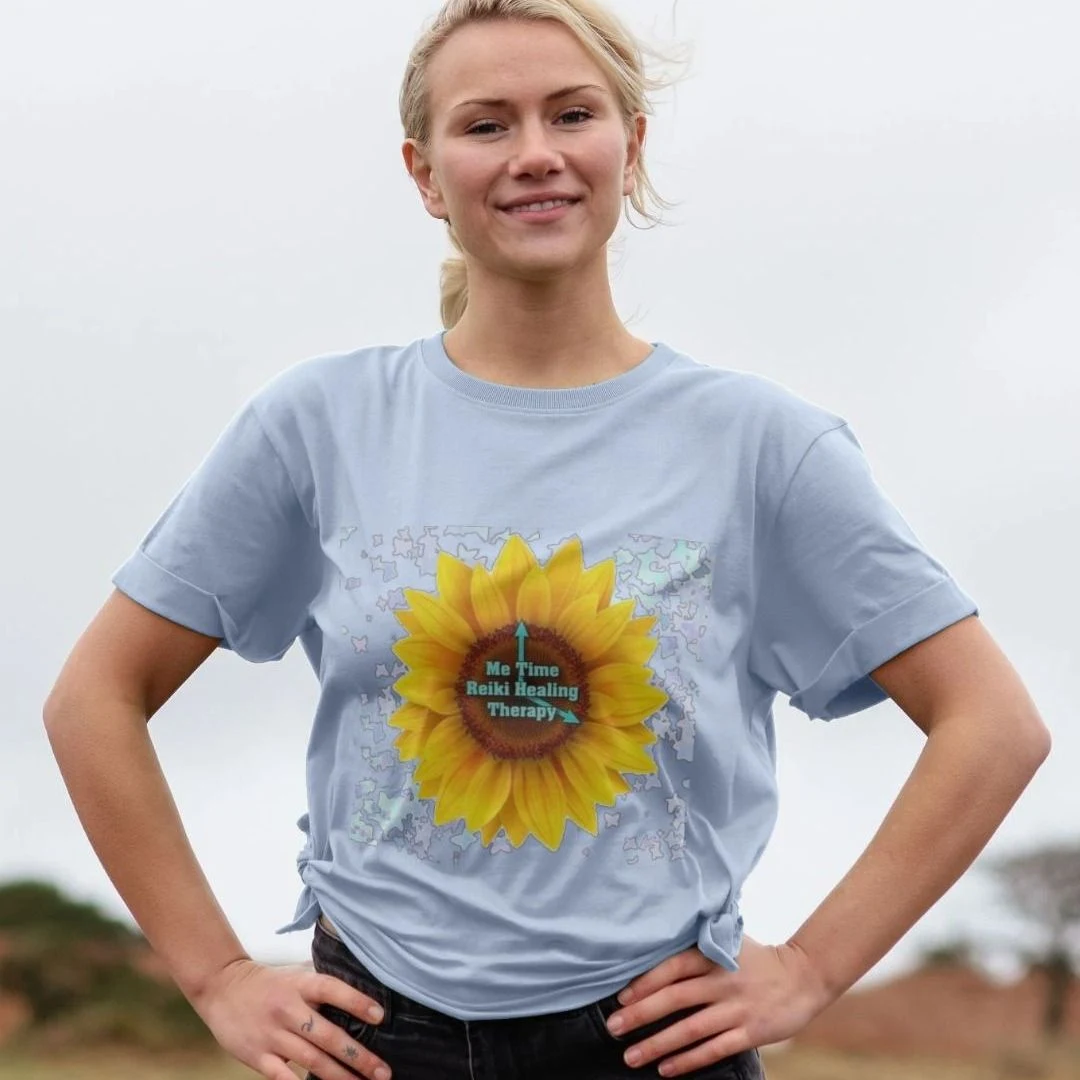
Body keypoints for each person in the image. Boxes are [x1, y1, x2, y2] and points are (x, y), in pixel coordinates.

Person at [42, 1, 1051, 1078]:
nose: (535, 154)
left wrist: (810, 967)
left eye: (572, 115)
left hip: (655, 1042)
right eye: (486, 125)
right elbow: (92, 698)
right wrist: (216, 976)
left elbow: (993, 723)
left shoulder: (761, 447)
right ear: (425, 174)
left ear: (631, 144)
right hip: (373, 1042)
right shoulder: (319, 426)